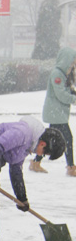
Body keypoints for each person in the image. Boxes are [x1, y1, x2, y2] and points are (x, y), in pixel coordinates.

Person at [30, 47, 76, 176]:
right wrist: (74, 99)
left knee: (50, 139)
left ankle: (36, 162)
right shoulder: (57, 74)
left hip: (58, 113)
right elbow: (61, 94)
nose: (73, 64)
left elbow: (66, 91)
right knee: (66, 139)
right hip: (56, 113)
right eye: (72, 61)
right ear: (66, 60)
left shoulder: (62, 74)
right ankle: (71, 167)